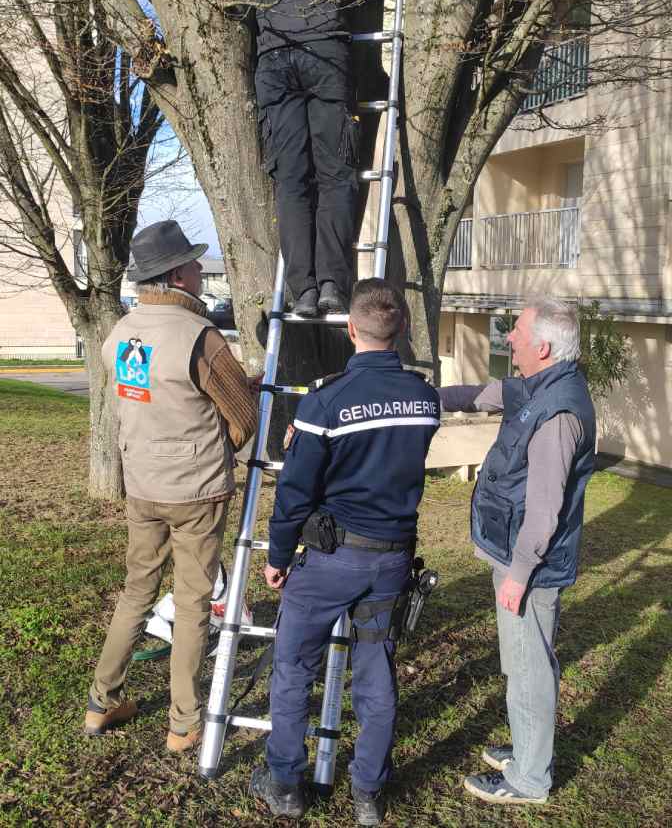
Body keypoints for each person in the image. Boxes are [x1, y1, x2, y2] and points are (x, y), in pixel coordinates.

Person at [249, 278, 440, 825]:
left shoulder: (325, 401)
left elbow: (295, 494)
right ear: (401, 329)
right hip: (391, 561)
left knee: (292, 668)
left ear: (352, 329)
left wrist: (278, 556)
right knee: (376, 671)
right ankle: (368, 793)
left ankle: (285, 782)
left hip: (330, 562)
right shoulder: (425, 400)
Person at [83, 220, 257, 753]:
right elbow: (245, 417)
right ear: (177, 274)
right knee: (191, 603)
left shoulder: (121, 333)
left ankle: (100, 701)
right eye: (194, 263)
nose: (200, 271)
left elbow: (153, 396)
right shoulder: (199, 337)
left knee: (137, 591)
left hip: (142, 483)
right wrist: (220, 443)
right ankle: (184, 723)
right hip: (196, 491)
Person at [438, 298, 596, 805]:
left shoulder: (559, 413)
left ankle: (529, 779)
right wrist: (415, 396)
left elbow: (546, 507)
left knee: (529, 670)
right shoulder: (540, 385)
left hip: (529, 563)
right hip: (510, 549)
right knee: (519, 661)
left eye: (518, 332)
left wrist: (520, 573)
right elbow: (478, 394)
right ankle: (526, 750)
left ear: (543, 348)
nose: (509, 338)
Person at [255, 0, 377, 317]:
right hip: (321, 44)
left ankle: (301, 290)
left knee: (291, 182)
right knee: (334, 174)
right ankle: (331, 284)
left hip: (272, 51)